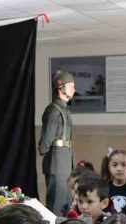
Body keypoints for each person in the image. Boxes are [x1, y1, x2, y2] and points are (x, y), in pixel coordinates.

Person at [39, 70, 76, 214]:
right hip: (57, 160)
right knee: (56, 201)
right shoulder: (54, 110)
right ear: (61, 87)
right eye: (71, 86)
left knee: (65, 200)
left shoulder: (64, 109)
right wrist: (44, 149)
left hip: (64, 159)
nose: (74, 89)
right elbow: (46, 139)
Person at [101, 147, 126, 215]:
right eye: (115, 165)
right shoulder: (103, 188)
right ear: (109, 167)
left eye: (123, 165)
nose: (119, 169)